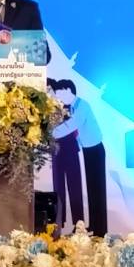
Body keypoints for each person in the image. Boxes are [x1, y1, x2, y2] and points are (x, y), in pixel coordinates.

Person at [54, 78, 106, 235]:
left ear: (68, 91)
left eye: (60, 94)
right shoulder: (73, 107)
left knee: (98, 190)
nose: (59, 98)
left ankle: (101, 229)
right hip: (87, 150)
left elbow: (70, 126)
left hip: (95, 149)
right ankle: (94, 225)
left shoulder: (82, 106)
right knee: (91, 190)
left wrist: (50, 133)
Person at [49, 78, 84, 232]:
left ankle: (79, 224)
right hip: (56, 151)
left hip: (70, 149)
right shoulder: (46, 109)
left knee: (75, 187)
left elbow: (74, 128)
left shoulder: (68, 106)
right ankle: (58, 224)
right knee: (58, 189)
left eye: (50, 89)